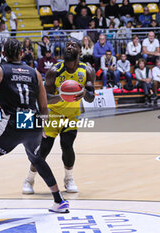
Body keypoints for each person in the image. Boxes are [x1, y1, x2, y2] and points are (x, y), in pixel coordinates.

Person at [0, 38, 70, 222]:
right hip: (31, 120)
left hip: (12, 124)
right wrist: (44, 126)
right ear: (22, 53)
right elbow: (44, 106)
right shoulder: (35, 73)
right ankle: (59, 201)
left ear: (3, 54)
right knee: (35, 157)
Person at [22, 38, 96, 194]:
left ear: (80, 51)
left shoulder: (87, 71)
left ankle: (69, 179)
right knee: (43, 150)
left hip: (71, 116)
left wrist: (83, 93)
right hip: (53, 115)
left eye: (73, 45)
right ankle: (29, 179)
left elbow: (91, 97)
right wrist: (62, 97)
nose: (69, 47)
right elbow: (44, 98)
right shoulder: (54, 71)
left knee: (67, 146)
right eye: (67, 45)